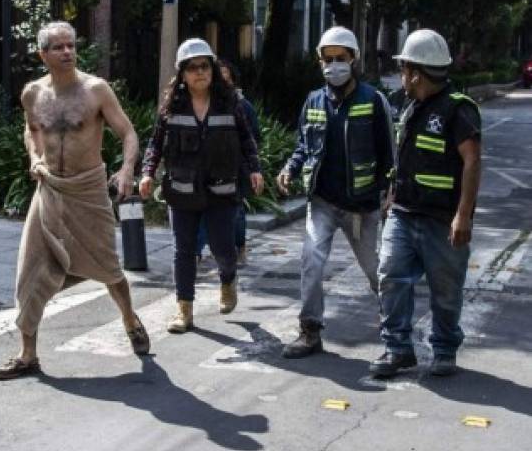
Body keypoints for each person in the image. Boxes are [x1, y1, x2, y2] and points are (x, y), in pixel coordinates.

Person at [0, 21, 150, 380]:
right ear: (43, 54)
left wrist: (127, 170)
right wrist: (34, 158)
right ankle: (28, 353)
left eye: (71, 45)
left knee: (109, 267)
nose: (67, 52)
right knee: (29, 270)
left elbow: (128, 133)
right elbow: (32, 131)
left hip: (88, 189)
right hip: (49, 188)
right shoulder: (33, 93)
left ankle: (128, 318)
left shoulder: (96, 90)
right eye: (58, 47)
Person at [276, 26, 394, 358]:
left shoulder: (373, 101)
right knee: (311, 261)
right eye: (327, 59)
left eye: (340, 58)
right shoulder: (313, 101)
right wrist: (289, 169)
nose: (333, 65)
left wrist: (390, 192)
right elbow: (303, 146)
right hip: (323, 203)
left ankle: (396, 330)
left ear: (353, 59)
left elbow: (390, 154)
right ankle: (310, 331)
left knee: (377, 271)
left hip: (362, 207)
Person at [370, 29, 481, 378]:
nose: (402, 75)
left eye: (404, 68)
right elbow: (405, 157)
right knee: (390, 275)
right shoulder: (411, 105)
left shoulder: (458, 110)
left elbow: (472, 162)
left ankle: (445, 349)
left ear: (417, 72)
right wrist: (391, 197)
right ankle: (398, 349)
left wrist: (463, 216)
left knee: (445, 291)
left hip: (442, 219)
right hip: (403, 213)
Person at [139, 39, 264, 333]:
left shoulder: (230, 103)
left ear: (212, 70)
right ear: (183, 73)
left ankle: (228, 279)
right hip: (182, 190)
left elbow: (247, 140)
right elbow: (155, 144)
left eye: (204, 66)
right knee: (183, 251)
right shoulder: (171, 106)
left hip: (222, 190)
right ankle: (184, 311)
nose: (199, 72)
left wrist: (255, 170)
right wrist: (147, 173)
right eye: (193, 67)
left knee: (223, 247)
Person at [195, 58, 261, 265]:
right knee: (202, 210)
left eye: (226, 78)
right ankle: (196, 252)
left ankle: (238, 246)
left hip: (236, 170)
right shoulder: (205, 105)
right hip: (208, 170)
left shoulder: (243, 106)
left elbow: (253, 138)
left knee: (237, 213)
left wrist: (252, 167)